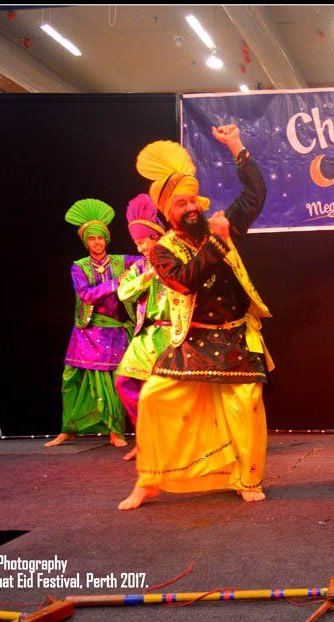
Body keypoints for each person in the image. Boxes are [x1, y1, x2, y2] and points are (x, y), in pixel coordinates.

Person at [118, 124, 273, 510]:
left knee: (247, 405)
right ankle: (150, 479)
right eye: (180, 204)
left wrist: (236, 146)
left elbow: (256, 194)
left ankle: (247, 478)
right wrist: (218, 243)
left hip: (236, 335)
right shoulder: (162, 251)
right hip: (194, 339)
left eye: (193, 201)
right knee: (154, 398)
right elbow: (185, 282)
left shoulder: (221, 224)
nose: (190, 208)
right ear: (167, 212)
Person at [48, 199, 140, 448]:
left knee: (113, 381)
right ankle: (69, 429)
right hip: (87, 331)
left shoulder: (124, 261)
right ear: (86, 242)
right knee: (72, 380)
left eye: (100, 238)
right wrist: (116, 283)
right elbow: (86, 294)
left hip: (117, 330)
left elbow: (148, 260)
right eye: (92, 239)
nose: (97, 243)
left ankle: (115, 432)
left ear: (106, 240)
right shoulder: (78, 267)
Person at [114, 194, 171, 462]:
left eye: (141, 242)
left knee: (170, 393)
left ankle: (174, 444)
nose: (139, 249)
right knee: (124, 382)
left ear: (155, 237)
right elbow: (123, 293)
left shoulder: (175, 260)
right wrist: (144, 280)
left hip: (174, 335)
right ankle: (146, 439)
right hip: (146, 335)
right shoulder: (140, 266)